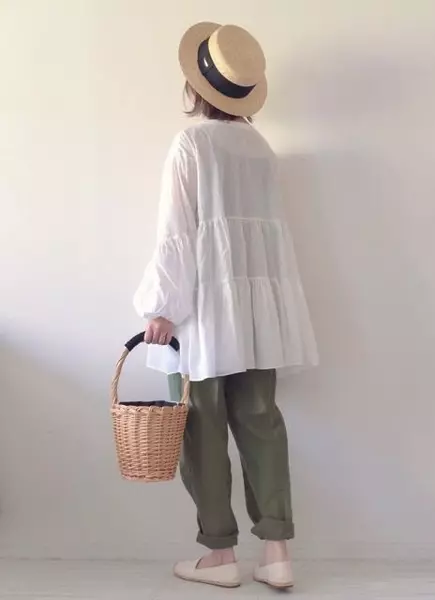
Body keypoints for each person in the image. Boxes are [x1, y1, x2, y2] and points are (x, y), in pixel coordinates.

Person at [133, 22, 318, 589]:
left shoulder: (191, 145)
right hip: (258, 318)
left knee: (200, 428)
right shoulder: (261, 150)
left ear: (197, 87)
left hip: (203, 318)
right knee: (262, 422)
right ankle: (277, 553)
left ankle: (220, 558)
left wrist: (161, 306)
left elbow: (177, 233)